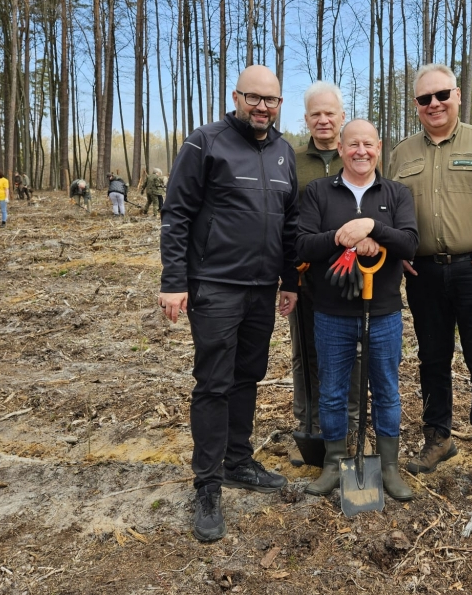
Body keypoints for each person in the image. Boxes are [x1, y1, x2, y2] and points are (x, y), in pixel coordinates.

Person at [157, 65, 299, 543]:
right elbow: (176, 212)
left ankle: (238, 460)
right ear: (236, 96)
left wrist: (289, 279)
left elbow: (288, 221)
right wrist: (174, 280)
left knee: (248, 375)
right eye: (253, 98)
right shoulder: (206, 142)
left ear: (281, 104)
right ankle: (208, 485)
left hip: (263, 289)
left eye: (272, 100)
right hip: (214, 285)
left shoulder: (283, 152)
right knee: (214, 382)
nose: (262, 107)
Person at [388, 63, 472, 494]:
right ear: (416, 106)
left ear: (457, 94)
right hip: (422, 273)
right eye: (424, 99)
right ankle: (438, 438)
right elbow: (386, 211)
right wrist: (396, 253)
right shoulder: (402, 155)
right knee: (432, 359)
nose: (434, 104)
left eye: (441, 94)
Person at [297, 119, 419, 501]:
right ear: (341, 147)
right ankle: (334, 462)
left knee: (386, 389)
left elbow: (410, 244)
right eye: (353, 145)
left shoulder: (397, 193)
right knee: (332, 392)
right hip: (331, 312)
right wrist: (340, 237)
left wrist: (373, 229)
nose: (361, 151)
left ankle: (389, 467)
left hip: (383, 311)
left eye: (368, 144)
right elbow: (302, 245)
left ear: (379, 147)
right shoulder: (318, 192)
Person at [289, 80, 361, 461]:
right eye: (315, 114)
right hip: (305, 275)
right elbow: (285, 219)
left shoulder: (358, 154)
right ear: (306, 119)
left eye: (329, 113)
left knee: (351, 352)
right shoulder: (292, 160)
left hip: (353, 277)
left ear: (342, 116)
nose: (323, 120)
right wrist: (288, 268)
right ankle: (309, 426)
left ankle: (345, 428)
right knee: (306, 353)